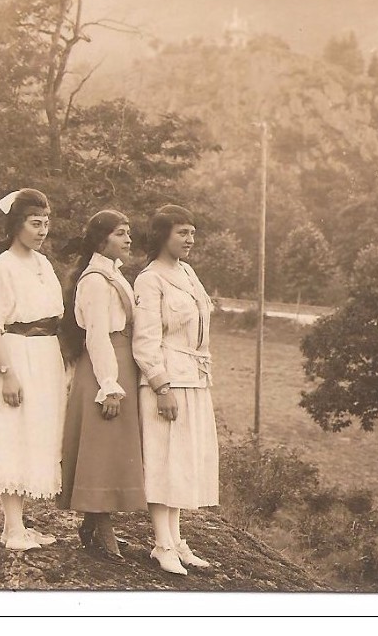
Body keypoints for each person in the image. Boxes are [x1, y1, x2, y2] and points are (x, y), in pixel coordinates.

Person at [0, 188, 67, 551]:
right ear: (16, 225)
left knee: (36, 437)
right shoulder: (2, 267)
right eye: (35, 224)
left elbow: (54, 316)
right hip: (17, 356)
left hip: (45, 357)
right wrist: (7, 372)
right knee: (14, 435)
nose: (42, 231)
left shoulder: (43, 265)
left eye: (46, 224)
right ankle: (12, 528)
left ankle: (20, 524)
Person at [132, 204, 219, 575]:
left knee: (183, 459)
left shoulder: (187, 272)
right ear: (162, 235)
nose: (190, 239)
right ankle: (161, 543)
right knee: (164, 459)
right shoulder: (149, 279)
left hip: (194, 376)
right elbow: (145, 340)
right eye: (182, 232)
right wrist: (160, 384)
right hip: (167, 379)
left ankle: (177, 539)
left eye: (193, 232)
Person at [57, 210, 146, 561]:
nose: (128, 240)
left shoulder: (114, 274)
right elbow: (96, 335)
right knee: (101, 446)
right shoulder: (94, 280)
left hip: (121, 361)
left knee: (112, 446)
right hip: (102, 365)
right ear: (100, 240)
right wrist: (108, 384)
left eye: (128, 233)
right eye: (121, 234)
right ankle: (100, 524)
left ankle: (94, 525)